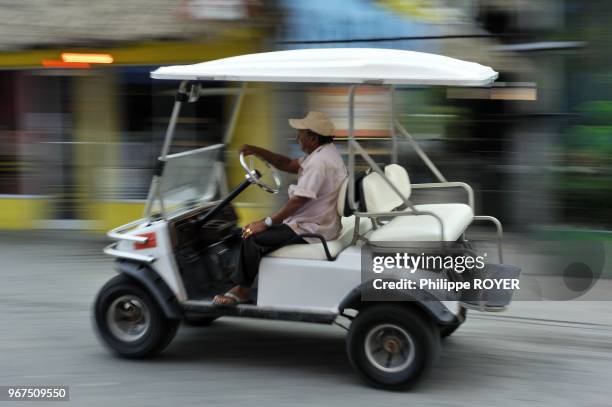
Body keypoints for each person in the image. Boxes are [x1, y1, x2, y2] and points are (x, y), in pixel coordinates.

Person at [213, 111, 348, 306]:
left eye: (300, 133)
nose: (297, 137)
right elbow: (288, 164)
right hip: (320, 223)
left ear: (312, 137)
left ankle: (241, 290)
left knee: (251, 236)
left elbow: (298, 201)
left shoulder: (318, 163)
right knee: (255, 227)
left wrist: (266, 223)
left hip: (309, 229)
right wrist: (257, 151)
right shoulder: (326, 152)